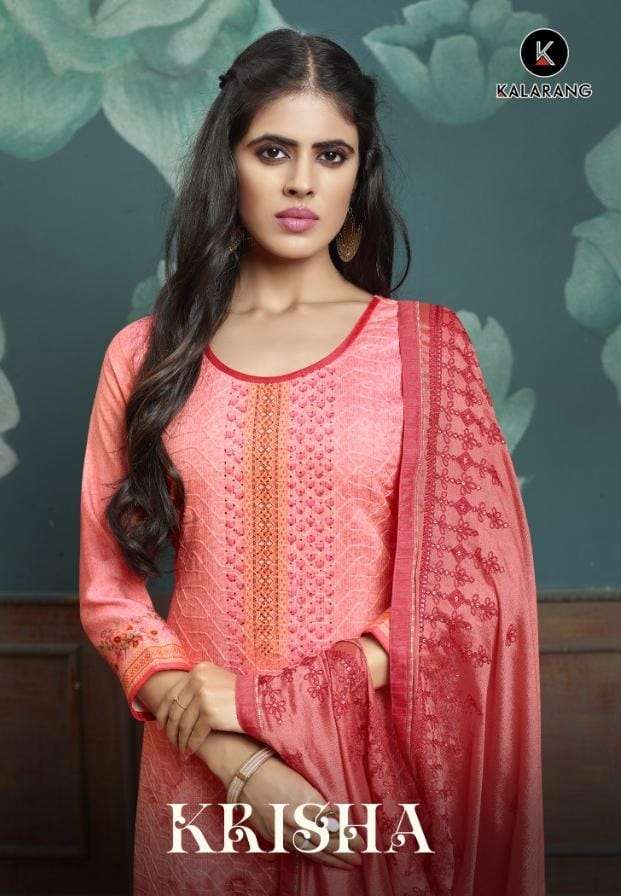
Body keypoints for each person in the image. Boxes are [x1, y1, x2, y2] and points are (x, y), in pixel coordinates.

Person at [78, 27, 545, 896]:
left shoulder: (425, 352)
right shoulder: (145, 356)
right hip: (200, 775)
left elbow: (473, 595)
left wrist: (275, 704)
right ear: (228, 165)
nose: (301, 181)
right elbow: (112, 597)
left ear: (357, 174)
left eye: (330, 154)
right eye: (272, 151)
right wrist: (242, 762)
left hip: (369, 773)